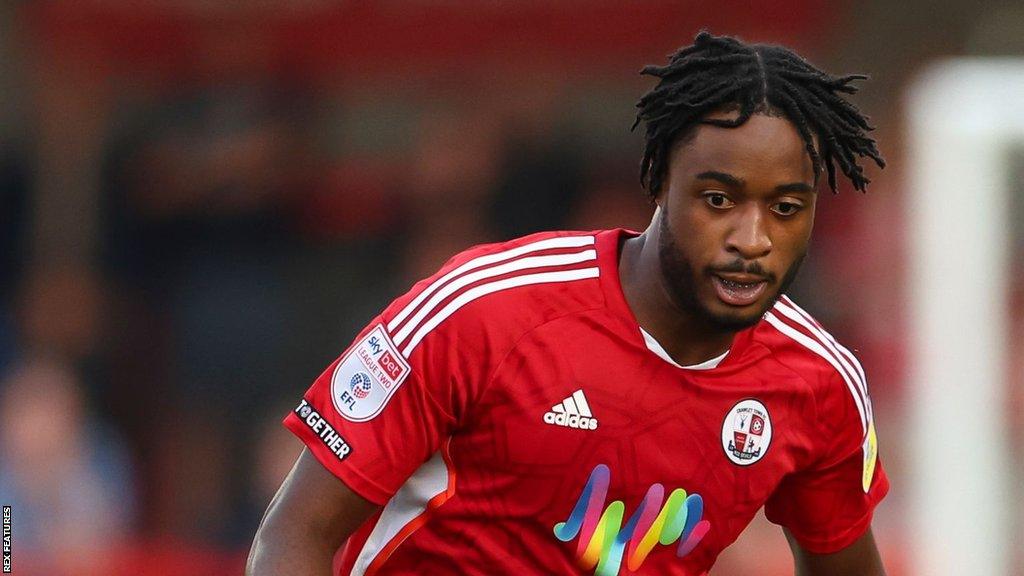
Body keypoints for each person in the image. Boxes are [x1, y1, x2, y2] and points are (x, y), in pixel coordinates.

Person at [247, 31, 889, 576]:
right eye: (718, 200)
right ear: (659, 179)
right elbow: (294, 537)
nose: (752, 240)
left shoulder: (820, 384)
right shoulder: (485, 311)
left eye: (785, 209)